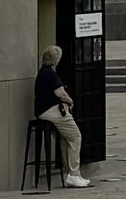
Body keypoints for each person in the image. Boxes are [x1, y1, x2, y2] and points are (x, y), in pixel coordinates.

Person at [34, 43, 90, 187]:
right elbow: (60, 93)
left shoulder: (42, 73)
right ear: (56, 60)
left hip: (42, 112)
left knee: (66, 140)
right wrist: (70, 101)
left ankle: (70, 172)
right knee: (76, 137)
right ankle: (74, 174)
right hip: (53, 111)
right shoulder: (51, 74)